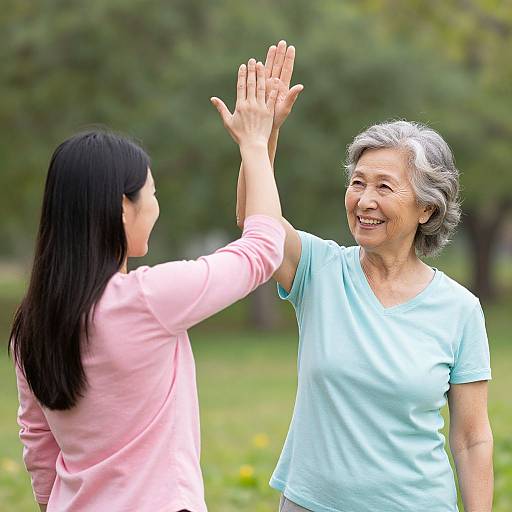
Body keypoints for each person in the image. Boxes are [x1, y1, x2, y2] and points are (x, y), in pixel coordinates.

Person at [10, 60, 283, 511]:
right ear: (122, 207)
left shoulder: (30, 326)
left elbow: (39, 450)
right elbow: (262, 251)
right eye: (151, 193)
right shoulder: (149, 299)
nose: (155, 206)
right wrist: (255, 144)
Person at [235, 43, 494, 512]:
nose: (364, 199)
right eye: (357, 182)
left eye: (384, 186)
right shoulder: (318, 268)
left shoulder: (459, 309)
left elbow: (472, 438)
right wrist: (263, 137)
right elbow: (259, 227)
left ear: (427, 207)